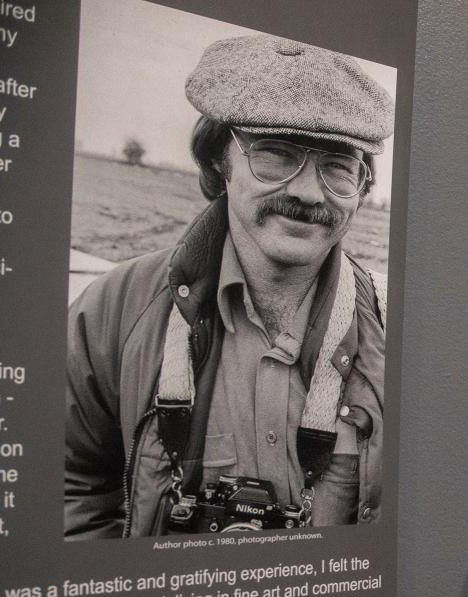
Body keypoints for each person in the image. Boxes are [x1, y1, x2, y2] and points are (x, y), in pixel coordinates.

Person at [65, 34, 393, 538]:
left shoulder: (396, 331)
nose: (308, 192)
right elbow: (72, 487)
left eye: (338, 167)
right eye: (277, 155)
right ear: (220, 160)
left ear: (363, 186)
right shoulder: (113, 311)